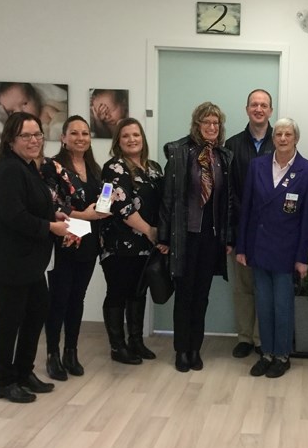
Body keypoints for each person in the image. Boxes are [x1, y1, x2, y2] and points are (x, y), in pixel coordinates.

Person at [0, 112, 70, 403]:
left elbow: (30, 206)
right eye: (26, 136)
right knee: (10, 320)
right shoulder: (8, 170)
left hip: (29, 262)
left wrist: (52, 214)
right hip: (9, 261)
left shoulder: (28, 168)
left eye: (38, 135)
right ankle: (4, 381)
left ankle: (23, 372)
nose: (34, 141)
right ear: (10, 140)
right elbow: (14, 216)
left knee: (35, 314)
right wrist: (50, 227)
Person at [236, 118, 308, 378]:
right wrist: (242, 247)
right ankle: (267, 354)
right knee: (263, 305)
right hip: (259, 248)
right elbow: (247, 209)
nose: (283, 138)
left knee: (282, 306)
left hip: (287, 252)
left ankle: (282, 356)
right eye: (279, 134)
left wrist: (302, 257)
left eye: (288, 134)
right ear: (273, 139)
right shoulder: (258, 166)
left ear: (296, 138)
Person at [158, 102, 233, 373]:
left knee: (202, 296)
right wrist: (164, 237)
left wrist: (227, 238)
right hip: (184, 237)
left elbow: (227, 202)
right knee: (184, 296)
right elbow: (168, 199)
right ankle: (181, 350)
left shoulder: (224, 157)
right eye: (207, 123)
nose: (212, 127)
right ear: (197, 125)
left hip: (211, 239)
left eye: (216, 123)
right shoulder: (179, 152)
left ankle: (195, 349)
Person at [40, 115, 110, 380]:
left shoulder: (94, 168)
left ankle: (71, 351)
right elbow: (50, 206)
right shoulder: (51, 167)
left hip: (88, 243)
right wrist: (85, 215)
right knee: (58, 299)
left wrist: (103, 211)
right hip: (63, 241)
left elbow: (100, 204)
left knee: (76, 299)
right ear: (63, 138)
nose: (80, 138)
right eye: (75, 133)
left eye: (85, 133)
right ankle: (52, 354)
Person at [100, 118, 163, 365]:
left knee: (138, 293)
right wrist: (150, 231)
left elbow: (164, 203)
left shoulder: (155, 168)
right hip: (119, 245)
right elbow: (121, 206)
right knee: (118, 292)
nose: (132, 139)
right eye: (125, 136)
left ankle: (136, 341)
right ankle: (118, 347)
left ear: (143, 138)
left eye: (136, 135)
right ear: (118, 141)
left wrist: (161, 235)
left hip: (147, 246)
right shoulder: (114, 167)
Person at [226, 89, 275, 358]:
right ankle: (244, 337)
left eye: (264, 105)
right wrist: (235, 231)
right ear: (247, 109)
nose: (258, 109)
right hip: (241, 230)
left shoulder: (280, 142)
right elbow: (229, 191)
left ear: (270, 110)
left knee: (264, 287)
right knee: (243, 287)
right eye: (254, 105)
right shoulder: (232, 145)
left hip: (270, 233)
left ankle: (260, 338)